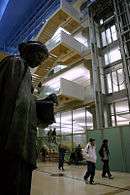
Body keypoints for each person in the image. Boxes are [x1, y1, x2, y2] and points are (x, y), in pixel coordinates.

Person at [0, 41, 49, 195]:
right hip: (9, 133)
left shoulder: (26, 72)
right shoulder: (14, 63)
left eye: (43, 59)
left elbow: (25, 102)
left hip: (20, 136)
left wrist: (43, 104)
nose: (41, 61)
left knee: (19, 178)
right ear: (30, 52)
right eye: (40, 56)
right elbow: (14, 100)